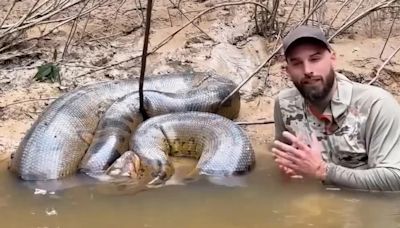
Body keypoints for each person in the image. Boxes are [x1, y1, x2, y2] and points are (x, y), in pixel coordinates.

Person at [272, 25, 400, 191]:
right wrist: (288, 171)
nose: (307, 70)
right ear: (287, 71)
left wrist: (323, 171)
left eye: (315, 59)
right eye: (297, 63)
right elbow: (283, 160)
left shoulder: (376, 104)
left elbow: (395, 178)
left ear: (332, 59)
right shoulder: (284, 104)